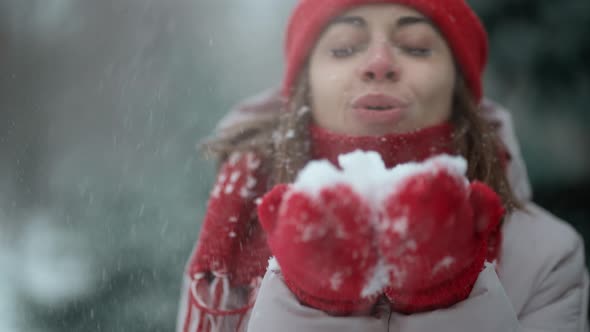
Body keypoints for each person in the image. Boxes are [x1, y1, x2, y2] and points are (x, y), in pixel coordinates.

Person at [177, 0, 589, 331]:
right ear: (306, 89)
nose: (378, 62)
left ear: (458, 90)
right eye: (343, 48)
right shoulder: (231, 242)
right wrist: (314, 303)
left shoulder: (547, 254)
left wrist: (447, 292)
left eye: (414, 46)